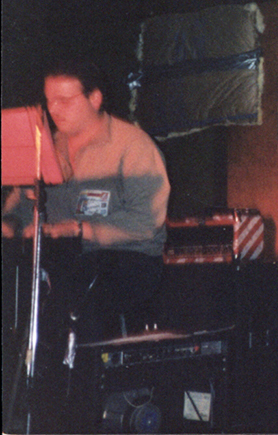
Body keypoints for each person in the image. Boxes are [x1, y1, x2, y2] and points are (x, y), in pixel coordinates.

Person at [2, 60, 170, 344]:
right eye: (49, 100)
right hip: (58, 258)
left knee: (76, 289)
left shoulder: (133, 147)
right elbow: (18, 211)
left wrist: (78, 229)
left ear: (95, 98)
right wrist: (10, 225)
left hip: (126, 260)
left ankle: (73, 378)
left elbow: (146, 222)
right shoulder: (44, 146)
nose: (53, 109)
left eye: (64, 100)